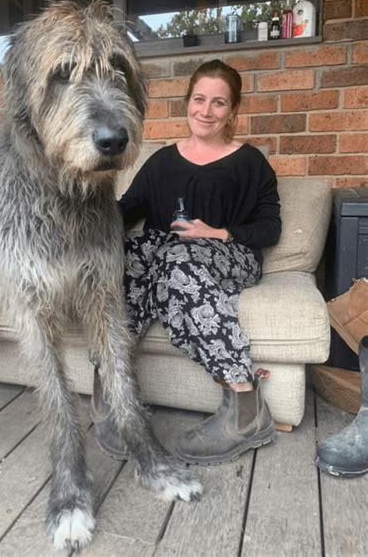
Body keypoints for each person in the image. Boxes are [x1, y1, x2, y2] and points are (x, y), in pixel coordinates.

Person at [117, 59, 282, 465]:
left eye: (219, 103)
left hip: (231, 254)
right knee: (117, 253)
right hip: (169, 257)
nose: (206, 111)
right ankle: (113, 387)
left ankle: (245, 406)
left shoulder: (251, 163)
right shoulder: (162, 161)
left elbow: (269, 228)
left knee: (175, 257)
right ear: (187, 102)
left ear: (233, 111)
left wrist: (219, 232)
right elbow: (127, 210)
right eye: (199, 99)